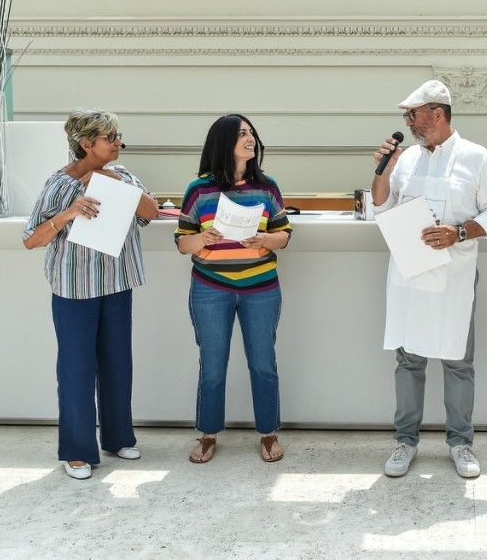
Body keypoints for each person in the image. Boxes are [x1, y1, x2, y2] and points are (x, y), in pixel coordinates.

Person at [372, 79, 487, 479]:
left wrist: (458, 232)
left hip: (454, 272)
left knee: (457, 360)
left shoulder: (477, 158)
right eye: (407, 116)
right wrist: (383, 168)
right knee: (408, 358)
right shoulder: (407, 159)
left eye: (413, 114)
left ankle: (461, 443)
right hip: (409, 269)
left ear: (438, 113)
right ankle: (405, 441)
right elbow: (382, 203)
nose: (409, 122)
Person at [23, 109, 160, 480]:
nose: (118, 143)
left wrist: (118, 183)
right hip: (73, 290)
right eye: (111, 137)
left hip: (116, 284)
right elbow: (31, 239)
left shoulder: (124, 175)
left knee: (118, 364)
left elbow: (153, 212)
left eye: (118, 137)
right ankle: (77, 451)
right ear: (86, 144)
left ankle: (117, 438)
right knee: (76, 370)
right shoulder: (60, 183)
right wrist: (68, 213)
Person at [176, 114, 292, 464]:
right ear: (223, 142)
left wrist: (265, 238)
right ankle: (208, 434)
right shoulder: (199, 189)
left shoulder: (267, 186)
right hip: (210, 289)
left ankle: (268, 433)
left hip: (261, 288)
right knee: (212, 366)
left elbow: (284, 235)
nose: (250, 139)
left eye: (252, 133)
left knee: (263, 364)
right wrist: (201, 238)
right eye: (242, 134)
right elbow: (182, 243)